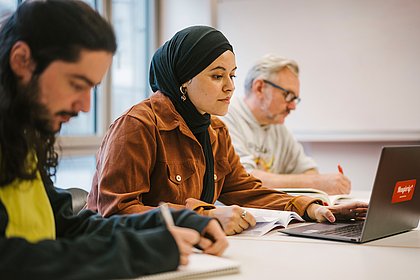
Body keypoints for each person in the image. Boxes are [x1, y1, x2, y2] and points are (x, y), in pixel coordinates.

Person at [0, 1, 227, 279]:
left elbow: (66, 225)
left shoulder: (19, 139)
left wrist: (174, 220)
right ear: (22, 60)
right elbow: (10, 258)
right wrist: (141, 251)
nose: (85, 106)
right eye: (76, 84)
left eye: (91, 89)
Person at [87, 25, 367, 236]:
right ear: (183, 81)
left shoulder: (214, 130)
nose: (230, 86)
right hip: (128, 257)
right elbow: (117, 212)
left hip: (187, 250)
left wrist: (310, 208)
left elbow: (244, 189)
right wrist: (203, 216)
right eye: (217, 75)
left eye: (232, 75)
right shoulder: (138, 125)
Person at [220, 54, 351, 195]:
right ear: (259, 88)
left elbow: (308, 170)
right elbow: (244, 179)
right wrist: (315, 183)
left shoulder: (277, 126)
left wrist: (318, 181)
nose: (293, 106)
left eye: (295, 99)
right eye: (288, 95)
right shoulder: (225, 117)